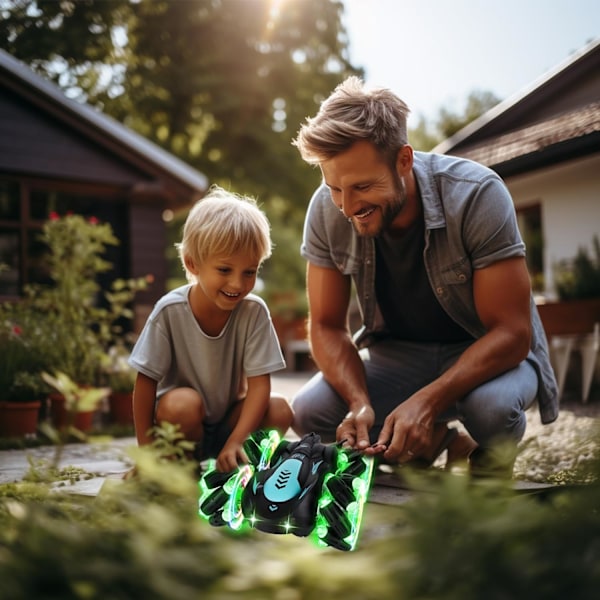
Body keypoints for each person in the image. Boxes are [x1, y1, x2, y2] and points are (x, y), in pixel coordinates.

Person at [290, 77, 558, 476]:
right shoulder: (328, 210)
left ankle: (489, 458)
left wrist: (428, 401)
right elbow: (327, 326)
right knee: (310, 411)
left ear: (404, 161)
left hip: (485, 351)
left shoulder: (477, 195)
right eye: (335, 189)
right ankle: (441, 440)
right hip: (399, 355)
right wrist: (360, 402)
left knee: (491, 410)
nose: (346, 206)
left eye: (362, 186)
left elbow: (512, 334)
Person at [128, 186, 293, 472]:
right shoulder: (169, 311)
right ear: (193, 264)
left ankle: (234, 461)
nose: (238, 285)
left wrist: (237, 440)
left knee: (280, 410)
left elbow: (259, 386)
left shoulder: (253, 311)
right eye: (225, 270)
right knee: (183, 404)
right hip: (179, 425)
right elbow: (144, 384)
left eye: (249, 272)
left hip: (228, 424)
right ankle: (176, 466)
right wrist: (146, 457)